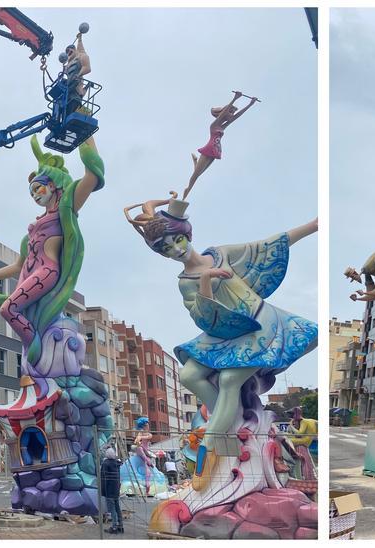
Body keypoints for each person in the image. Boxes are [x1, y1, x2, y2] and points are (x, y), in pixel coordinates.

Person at [124, 195, 317, 489]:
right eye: (167, 248)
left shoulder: (221, 253)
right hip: (222, 331)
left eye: (177, 241)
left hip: (256, 325)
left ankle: (211, 443)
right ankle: (230, 424)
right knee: (189, 374)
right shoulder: (185, 281)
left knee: (229, 381)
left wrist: (313, 226)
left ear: (186, 233)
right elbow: (204, 315)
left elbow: (265, 247)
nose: (176, 250)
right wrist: (207, 279)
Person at [0, 135, 104, 367]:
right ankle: (36, 350)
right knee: (13, 307)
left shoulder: (65, 209)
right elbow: (17, 266)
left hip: (48, 272)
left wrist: (86, 133)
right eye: (31, 192)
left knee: (8, 309)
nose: (35, 195)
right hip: (32, 274)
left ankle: (35, 347)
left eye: (38, 188)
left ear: (52, 185)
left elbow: (91, 176)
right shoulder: (30, 235)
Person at [183, 91, 260, 200]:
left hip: (216, 151)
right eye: (231, 112)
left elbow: (237, 116)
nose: (232, 114)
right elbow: (223, 113)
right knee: (195, 177)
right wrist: (234, 99)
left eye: (232, 112)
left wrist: (250, 104)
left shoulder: (223, 127)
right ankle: (184, 197)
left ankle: (195, 162)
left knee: (199, 173)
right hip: (209, 149)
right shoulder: (214, 125)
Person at [100, 445, 123, 534]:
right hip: (116, 489)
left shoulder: (105, 464)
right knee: (117, 508)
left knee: (112, 509)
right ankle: (120, 526)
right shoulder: (117, 464)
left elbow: (104, 478)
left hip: (109, 490)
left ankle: (114, 527)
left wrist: (103, 491)